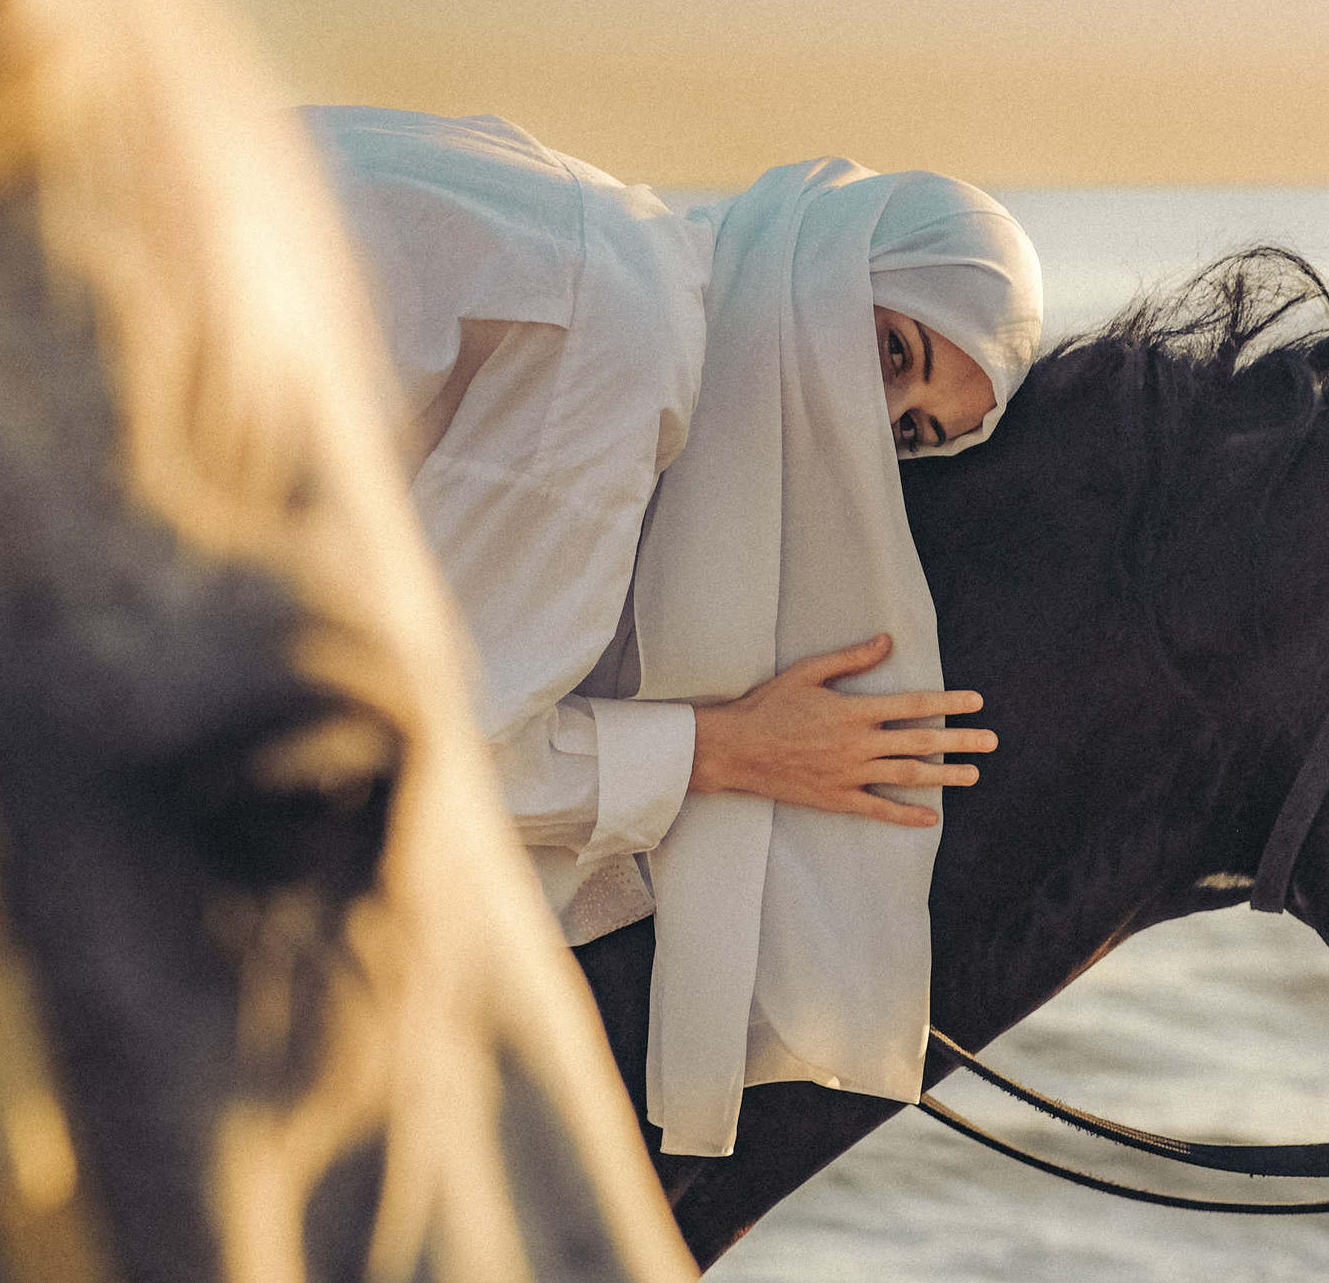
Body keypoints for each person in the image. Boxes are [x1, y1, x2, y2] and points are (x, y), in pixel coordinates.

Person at [309, 108, 1042, 1156]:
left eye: (909, 434)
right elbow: (392, 759)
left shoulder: (622, 250)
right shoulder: (622, 342)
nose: (865, 430)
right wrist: (725, 749)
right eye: (888, 352)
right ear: (815, 262)